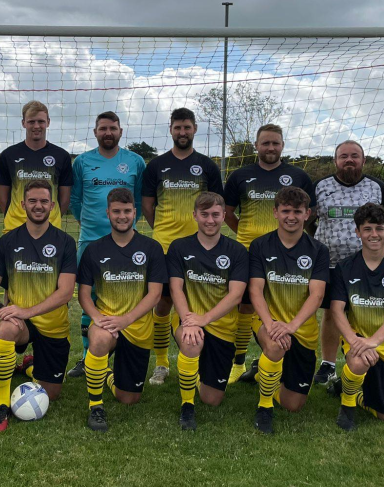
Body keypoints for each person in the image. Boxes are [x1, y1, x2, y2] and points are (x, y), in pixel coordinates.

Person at [223, 124, 316, 383]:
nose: (271, 147)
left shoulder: (298, 176)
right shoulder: (240, 175)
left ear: (282, 145)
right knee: (245, 306)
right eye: (265, 143)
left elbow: (309, 213)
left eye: (275, 143)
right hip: (248, 251)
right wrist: (249, 236)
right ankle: (238, 363)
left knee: (284, 302)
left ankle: (279, 356)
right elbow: (228, 212)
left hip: (288, 255)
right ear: (256, 146)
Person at [0, 180, 77, 432]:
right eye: (33, 201)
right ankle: (2, 402)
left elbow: (66, 292)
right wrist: (0, 309)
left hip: (53, 325)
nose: (38, 206)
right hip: (20, 322)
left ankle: (29, 366)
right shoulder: (8, 241)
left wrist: (27, 311)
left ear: (52, 206)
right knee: (5, 328)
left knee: (51, 394)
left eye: (44, 201)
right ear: (23, 204)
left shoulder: (65, 242)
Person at [140, 108, 222, 386]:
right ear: (171, 130)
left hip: (201, 248)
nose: (182, 132)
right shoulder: (156, 165)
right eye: (178, 127)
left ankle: (195, 359)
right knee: (162, 304)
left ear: (195, 129)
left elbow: (215, 207)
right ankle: (161, 364)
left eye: (187, 127)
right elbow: (148, 205)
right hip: (164, 247)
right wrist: (162, 229)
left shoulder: (207, 166)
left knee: (197, 302)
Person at [77, 188, 165, 432]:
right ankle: (95, 406)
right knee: (100, 338)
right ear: (108, 213)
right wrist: (97, 319)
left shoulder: (151, 248)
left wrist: (126, 319)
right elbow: (83, 294)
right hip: (106, 322)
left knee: (129, 398)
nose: (122, 216)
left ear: (135, 212)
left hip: (137, 327)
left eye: (127, 211)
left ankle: (105, 374)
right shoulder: (94, 249)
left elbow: (155, 294)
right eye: (116, 211)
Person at [67, 111, 146, 379]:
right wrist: (89, 223)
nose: (108, 132)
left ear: (120, 131)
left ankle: (124, 350)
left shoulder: (135, 161)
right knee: (88, 297)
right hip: (90, 241)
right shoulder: (82, 162)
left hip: (126, 243)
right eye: (103, 128)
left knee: (124, 295)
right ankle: (88, 356)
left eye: (112, 128)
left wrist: (125, 227)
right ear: (95, 132)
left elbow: (138, 201)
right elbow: (75, 200)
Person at [312, 140, 384, 385]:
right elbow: (308, 219)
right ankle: (328, 365)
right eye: (344, 156)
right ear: (336, 160)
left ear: (363, 160)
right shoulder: (320, 187)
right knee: (331, 312)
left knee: (364, 312)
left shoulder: (377, 187)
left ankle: (365, 363)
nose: (349, 160)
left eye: (354, 156)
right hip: (329, 263)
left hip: (366, 265)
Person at [248, 187, 329, 435]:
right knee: (275, 345)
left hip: (301, 329)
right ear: (275, 212)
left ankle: (264, 373)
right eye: (285, 211)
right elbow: (255, 290)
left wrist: (292, 326)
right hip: (268, 322)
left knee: (293, 405)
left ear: (307, 214)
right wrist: (271, 325)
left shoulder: (318, 250)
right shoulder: (260, 245)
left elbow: (317, 295)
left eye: (297, 211)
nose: (291, 217)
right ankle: (264, 408)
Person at [327, 203, 384, 431]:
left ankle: (349, 389)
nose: (373, 234)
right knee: (358, 361)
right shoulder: (345, 267)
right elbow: (336, 310)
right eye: (367, 229)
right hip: (356, 338)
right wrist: (356, 341)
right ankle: (348, 405)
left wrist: (374, 341)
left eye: (379, 228)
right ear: (358, 232)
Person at [167, 192, 249, 430]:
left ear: (224, 216)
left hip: (221, 326)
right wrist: (188, 320)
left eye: (215, 214)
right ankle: (187, 406)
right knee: (191, 341)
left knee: (212, 399)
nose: (210, 220)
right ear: (195, 215)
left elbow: (236, 295)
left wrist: (204, 319)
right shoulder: (179, 247)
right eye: (204, 214)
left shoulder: (237, 251)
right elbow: (176, 288)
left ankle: (196, 374)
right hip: (188, 320)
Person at [0, 100, 73, 234]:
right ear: (23, 123)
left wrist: (50, 218)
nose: (36, 126)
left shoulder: (62, 156)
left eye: (41, 121)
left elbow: (64, 200)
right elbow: (2, 198)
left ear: (48, 122)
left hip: (50, 228)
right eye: (31, 122)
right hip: (14, 228)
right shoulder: (9, 155)